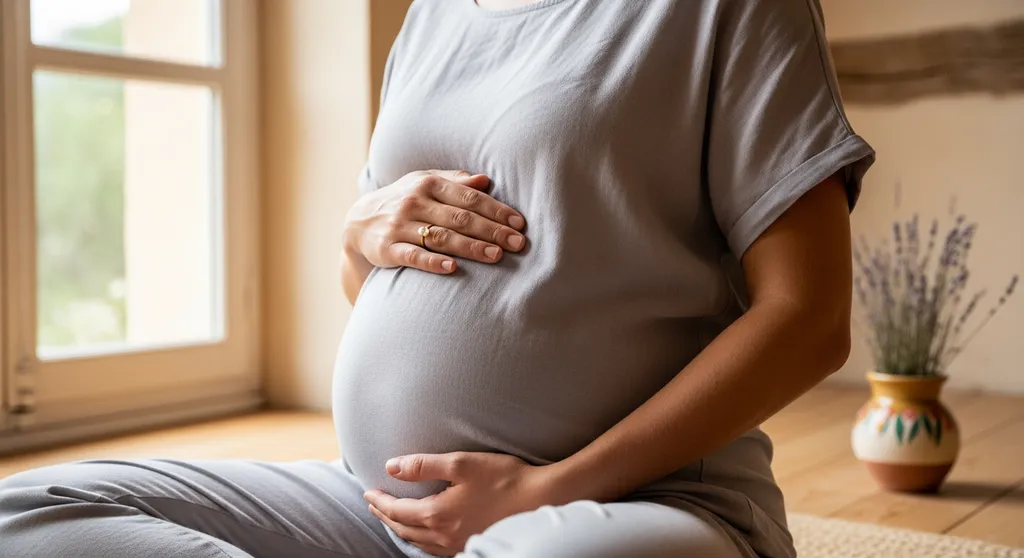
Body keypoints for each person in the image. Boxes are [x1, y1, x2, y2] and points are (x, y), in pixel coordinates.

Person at [0, 0, 875, 556]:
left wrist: (544, 491)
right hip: (375, 506)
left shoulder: (727, 9)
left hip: (634, 508)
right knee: (31, 512)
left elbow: (808, 318)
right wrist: (359, 231)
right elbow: (387, 287)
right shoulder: (433, 15)